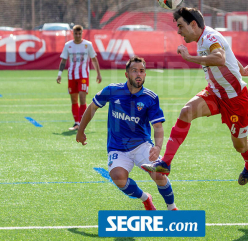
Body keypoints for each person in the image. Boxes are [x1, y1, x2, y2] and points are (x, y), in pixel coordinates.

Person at [142, 7, 248, 185]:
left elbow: (220, 58)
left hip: (235, 99)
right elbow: (226, 52)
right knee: (186, 112)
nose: (179, 31)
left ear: (193, 24)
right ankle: (165, 163)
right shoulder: (204, 37)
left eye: (181, 26)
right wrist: (241, 69)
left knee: (240, 146)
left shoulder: (208, 38)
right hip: (214, 93)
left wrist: (189, 58)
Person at [76, 56, 178, 210]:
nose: (139, 74)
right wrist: (81, 131)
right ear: (126, 74)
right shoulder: (112, 90)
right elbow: (92, 107)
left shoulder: (150, 98)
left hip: (142, 144)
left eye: (142, 71)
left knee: (159, 174)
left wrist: (157, 146)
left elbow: (157, 126)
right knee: (118, 178)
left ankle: (172, 207)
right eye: (134, 71)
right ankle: (145, 198)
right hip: (117, 147)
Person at [56, 25, 102, 131]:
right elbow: (63, 60)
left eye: (79, 33)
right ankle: (76, 123)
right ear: (73, 33)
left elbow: (94, 59)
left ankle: (82, 123)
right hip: (72, 76)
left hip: (83, 76)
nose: (77, 35)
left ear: (82, 33)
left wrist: (98, 73)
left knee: (82, 98)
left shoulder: (87, 45)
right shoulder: (68, 45)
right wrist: (59, 74)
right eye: (76, 33)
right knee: (73, 100)